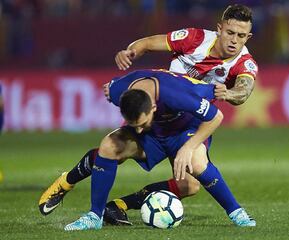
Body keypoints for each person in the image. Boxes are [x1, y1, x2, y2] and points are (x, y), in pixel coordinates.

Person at [38, 4, 258, 225]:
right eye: (230, 33)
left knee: (189, 185)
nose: (234, 40)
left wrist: (229, 93)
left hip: (189, 123)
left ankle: (117, 206)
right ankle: (70, 184)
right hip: (157, 112)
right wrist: (130, 51)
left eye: (241, 36)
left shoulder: (244, 63)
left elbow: (244, 90)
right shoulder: (195, 38)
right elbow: (147, 44)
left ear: (247, 37)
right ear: (219, 29)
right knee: (111, 147)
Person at [43, 69, 256, 230]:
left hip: (184, 129)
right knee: (109, 145)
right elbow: (114, 92)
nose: (138, 128)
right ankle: (94, 215)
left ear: (154, 107)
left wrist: (188, 147)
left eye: (141, 122)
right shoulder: (119, 91)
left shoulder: (177, 94)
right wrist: (139, 125)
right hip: (155, 133)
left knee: (196, 164)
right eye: (133, 123)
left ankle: (237, 213)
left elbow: (216, 117)